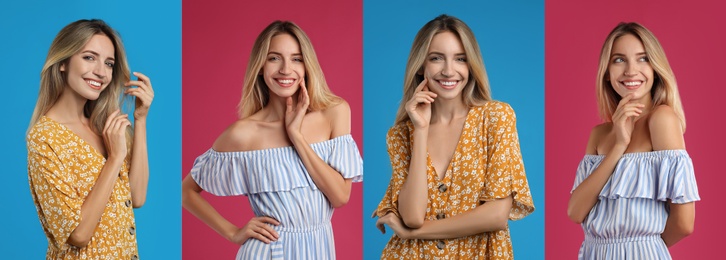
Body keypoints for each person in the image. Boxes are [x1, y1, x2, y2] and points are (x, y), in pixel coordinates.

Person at [181, 20, 363, 259]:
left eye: (296, 59)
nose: (286, 69)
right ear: (260, 66)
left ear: (307, 65)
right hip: (270, 251)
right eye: (274, 58)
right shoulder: (243, 133)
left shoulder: (335, 112)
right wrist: (233, 232)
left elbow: (340, 196)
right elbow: (186, 192)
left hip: (320, 248)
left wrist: (296, 136)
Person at [373, 14, 534, 259]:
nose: (449, 71)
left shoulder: (496, 117)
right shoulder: (401, 135)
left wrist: (413, 233)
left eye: (460, 59)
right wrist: (421, 129)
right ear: (421, 65)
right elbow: (413, 216)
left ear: (471, 65)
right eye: (436, 58)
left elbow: (496, 215)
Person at [567, 22, 699, 259]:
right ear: (607, 73)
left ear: (655, 68)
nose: (630, 70)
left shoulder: (662, 119)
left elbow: (684, 223)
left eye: (642, 58)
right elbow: (575, 212)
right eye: (619, 60)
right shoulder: (599, 134)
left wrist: (641, 248)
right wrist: (619, 145)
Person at [27, 19, 154, 259]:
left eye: (108, 63)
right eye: (89, 57)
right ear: (63, 62)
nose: (100, 72)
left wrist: (141, 119)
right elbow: (78, 234)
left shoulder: (104, 126)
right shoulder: (44, 138)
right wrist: (115, 158)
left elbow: (137, 196)